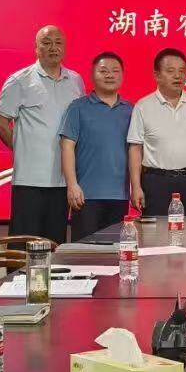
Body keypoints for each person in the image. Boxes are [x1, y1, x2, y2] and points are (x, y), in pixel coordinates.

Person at [0, 25, 84, 244]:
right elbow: (0, 123)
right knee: (24, 244)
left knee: (54, 243)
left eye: (58, 42)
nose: (53, 47)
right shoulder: (20, 80)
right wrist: (23, 149)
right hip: (29, 180)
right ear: (36, 48)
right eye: (46, 43)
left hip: (62, 180)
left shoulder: (75, 80)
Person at [60, 52, 132, 237]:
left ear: (122, 76)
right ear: (92, 75)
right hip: (86, 196)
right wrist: (72, 185)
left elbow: (135, 152)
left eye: (115, 71)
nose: (110, 75)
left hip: (120, 195)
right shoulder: (77, 107)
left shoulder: (131, 110)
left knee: (116, 249)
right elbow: (67, 146)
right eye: (103, 71)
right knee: (85, 250)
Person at [128, 48, 186, 217]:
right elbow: (135, 149)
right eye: (171, 71)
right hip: (156, 182)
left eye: (182, 71)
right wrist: (136, 186)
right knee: (156, 231)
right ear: (157, 75)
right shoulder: (143, 106)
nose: (178, 76)